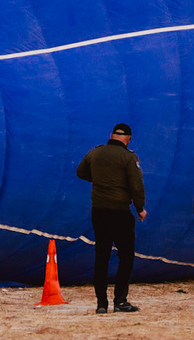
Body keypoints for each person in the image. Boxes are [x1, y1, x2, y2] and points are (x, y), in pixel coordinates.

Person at [76, 123, 146, 314]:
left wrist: (100, 180)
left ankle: (101, 304)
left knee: (102, 256)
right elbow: (136, 186)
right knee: (126, 256)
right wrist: (140, 208)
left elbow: (80, 172)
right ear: (128, 138)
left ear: (111, 135)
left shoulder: (95, 153)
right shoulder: (129, 157)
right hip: (120, 212)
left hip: (98, 211)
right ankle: (120, 301)